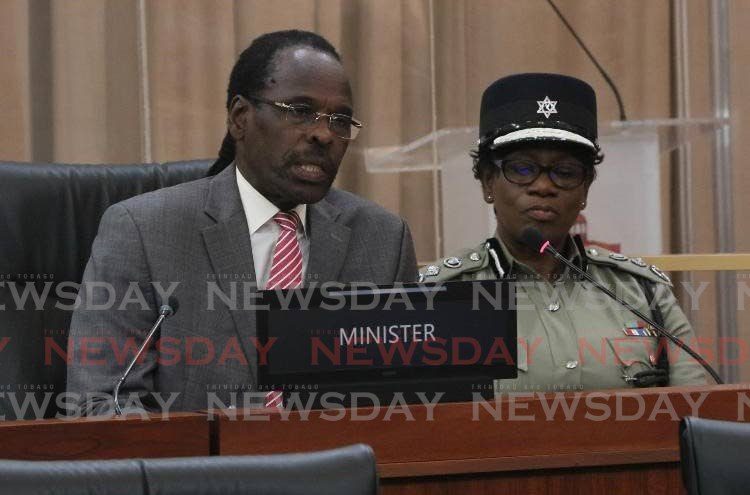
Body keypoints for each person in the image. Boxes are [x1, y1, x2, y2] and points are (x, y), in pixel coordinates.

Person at [66, 30, 417, 415]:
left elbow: (406, 403)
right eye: (300, 111)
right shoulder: (143, 231)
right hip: (197, 471)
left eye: (340, 120)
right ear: (240, 119)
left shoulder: (383, 239)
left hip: (338, 469)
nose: (323, 134)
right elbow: (101, 403)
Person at [419, 73, 706, 392]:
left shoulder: (642, 292)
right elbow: (418, 424)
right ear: (488, 182)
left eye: (565, 172)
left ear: (584, 190)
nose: (543, 186)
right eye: (522, 169)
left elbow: (695, 412)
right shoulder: (441, 295)